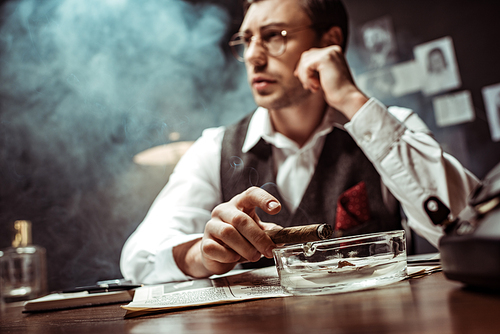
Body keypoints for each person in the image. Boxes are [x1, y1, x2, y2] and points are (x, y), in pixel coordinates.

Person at [120, 0, 478, 284]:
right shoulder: (214, 148)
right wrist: (202, 254)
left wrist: (352, 100)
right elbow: (138, 258)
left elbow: (469, 227)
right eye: (247, 40)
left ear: (329, 41)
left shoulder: (391, 127)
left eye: (274, 35)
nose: (255, 56)